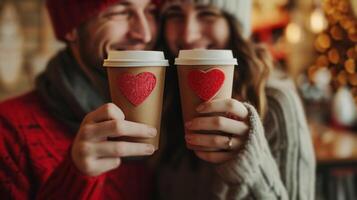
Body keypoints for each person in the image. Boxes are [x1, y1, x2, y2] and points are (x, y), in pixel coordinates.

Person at [153, 0, 316, 199]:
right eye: (175, 14)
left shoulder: (276, 104)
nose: (188, 34)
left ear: (234, 25)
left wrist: (251, 165)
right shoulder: (164, 97)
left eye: (207, 14)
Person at [0, 0, 163, 199]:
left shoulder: (172, 112)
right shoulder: (8, 130)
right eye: (119, 12)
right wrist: (75, 177)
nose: (145, 34)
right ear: (72, 30)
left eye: (150, 11)